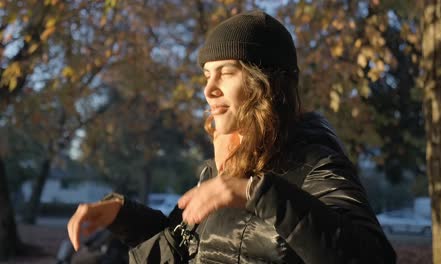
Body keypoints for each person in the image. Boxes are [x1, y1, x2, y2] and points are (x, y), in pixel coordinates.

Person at [67, 10, 396, 263]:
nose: (209, 90)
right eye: (207, 75)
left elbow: (372, 256)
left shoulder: (314, 161)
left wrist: (257, 193)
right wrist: (121, 216)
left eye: (226, 72)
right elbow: (183, 249)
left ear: (266, 84)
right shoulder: (224, 165)